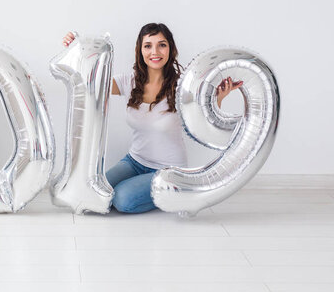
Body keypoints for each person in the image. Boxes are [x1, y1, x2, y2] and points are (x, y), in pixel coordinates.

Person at [62, 24, 242, 213]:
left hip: (167, 170)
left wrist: (219, 98)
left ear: (170, 49)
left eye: (161, 45)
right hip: (134, 161)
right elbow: (92, 81)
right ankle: (149, 191)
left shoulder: (183, 86)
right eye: (148, 45)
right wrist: (76, 50)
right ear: (140, 50)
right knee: (95, 190)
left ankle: (173, 192)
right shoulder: (128, 82)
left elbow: (203, 120)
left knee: (122, 200)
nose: (154, 51)